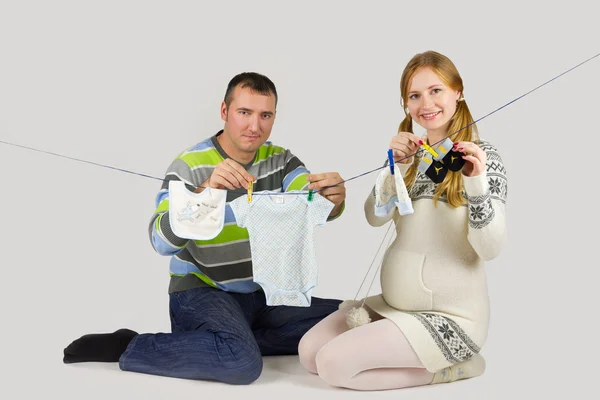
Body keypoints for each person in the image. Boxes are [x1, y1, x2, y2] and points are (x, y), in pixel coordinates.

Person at [62, 72, 347, 385]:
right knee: (242, 363)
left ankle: (228, 338)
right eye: (244, 113)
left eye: (265, 115)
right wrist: (205, 194)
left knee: (350, 319)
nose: (255, 126)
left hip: (261, 295)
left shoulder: (281, 160)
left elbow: (305, 199)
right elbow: (160, 241)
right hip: (200, 291)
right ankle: (130, 344)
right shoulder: (190, 164)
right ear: (224, 111)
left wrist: (329, 199)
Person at [298, 50, 507, 391]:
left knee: (332, 365)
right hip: (394, 306)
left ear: (458, 91)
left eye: (435, 90)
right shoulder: (411, 155)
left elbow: (491, 246)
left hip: (451, 319)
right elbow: (374, 218)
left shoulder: (484, 158)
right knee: (309, 353)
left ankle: (458, 366)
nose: (426, 103)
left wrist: (476, 180)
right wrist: (396, 168)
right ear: (406, 103)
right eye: (415, 95)